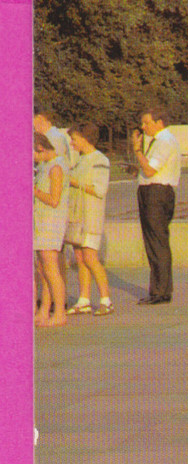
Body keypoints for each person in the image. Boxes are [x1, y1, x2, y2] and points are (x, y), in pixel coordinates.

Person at [131, 106, 180, 306]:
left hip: (156, 194)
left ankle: (161, 291)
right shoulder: (160, 141)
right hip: (153, 191)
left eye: (146, 123)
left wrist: (137, 150)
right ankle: (158, 289)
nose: (143, 127)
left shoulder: (164, 141)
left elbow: (150, 170)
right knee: (154, 241)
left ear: (159, 122)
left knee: (157, 242)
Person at [64, 124, 113, 316]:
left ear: (85, 138)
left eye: (75, 139)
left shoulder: (100, 159)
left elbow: (100, 189)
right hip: (77, 217)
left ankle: (105, 299)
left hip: (91, 217)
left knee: (91, 258)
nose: (72, 143)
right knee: (80, 257)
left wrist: (76, 183)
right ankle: (83, 299)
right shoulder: (81, 160)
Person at [34, 131, 70, 327]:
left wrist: (35, 191)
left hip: (51, 222)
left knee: (51, 268)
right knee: (43, 267)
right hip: (42, 221)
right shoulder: (45, 165)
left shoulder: (56, 167)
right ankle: (44, 310)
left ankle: (59, 313)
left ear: (40, 149)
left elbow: (54, 200)